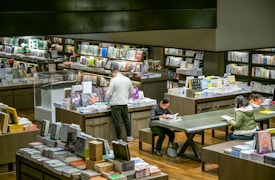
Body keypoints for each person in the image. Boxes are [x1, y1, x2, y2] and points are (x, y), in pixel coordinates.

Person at [106, 66, 135, 142]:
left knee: (117, 122)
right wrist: (127, 98)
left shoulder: (114, 80)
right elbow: (132, 91)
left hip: (115, 104)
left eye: (112, 74)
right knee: (126, 120)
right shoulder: (127, 79)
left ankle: (119, 138)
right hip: (124, 103)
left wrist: (107, 100)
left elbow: (109, 93)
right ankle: (129, 136)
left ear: (114, 72)